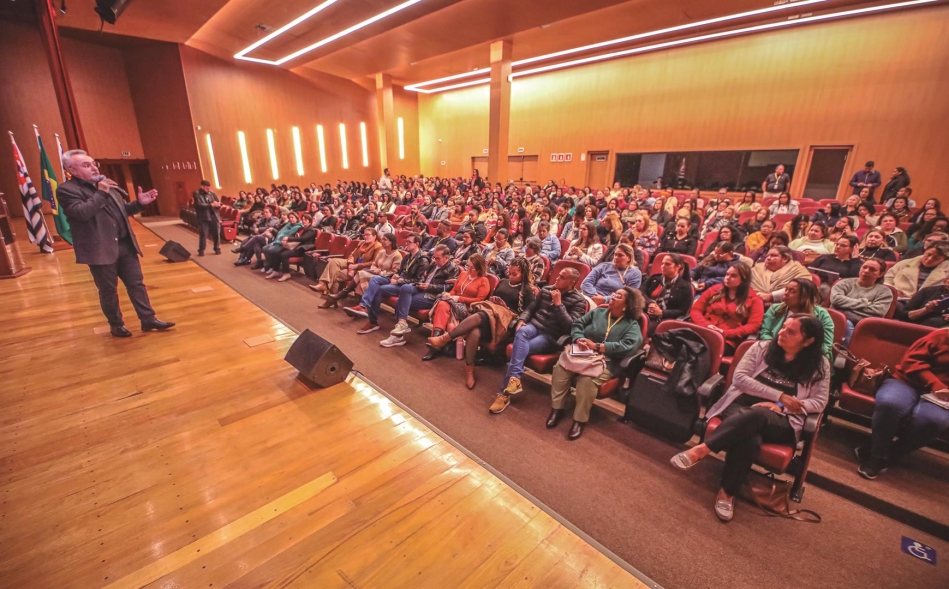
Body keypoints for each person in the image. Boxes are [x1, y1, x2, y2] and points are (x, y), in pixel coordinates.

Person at [671, 315, 829, 522]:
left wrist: (780, 406)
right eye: (783, 327)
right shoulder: (762, 348)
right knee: (749, 436)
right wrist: (778, 396)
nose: (781, 333)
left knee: (757, 415)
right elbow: (740, 379)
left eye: (791, 332)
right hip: (741, 404)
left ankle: (703, 449)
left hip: (782, 419)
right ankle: (727, 493)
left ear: (808, 341)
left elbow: (819, 402)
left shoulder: (820, 365)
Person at [57, 149, 174, 337]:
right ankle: (116, 324)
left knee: (137, 284)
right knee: (108, 290)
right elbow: (81, 213)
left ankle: (148, 319)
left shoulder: (104, 185)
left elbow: (120, 211)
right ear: (72, 170)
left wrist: (139, 204)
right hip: (100, 249)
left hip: (125, 245)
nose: (94, 167)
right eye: (87, 165)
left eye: (94, 163)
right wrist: (101, 192)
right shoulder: (67, 190)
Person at [547, 287, 645, 440]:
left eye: (618, 296)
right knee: (560, 368)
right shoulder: (598, 312)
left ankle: (579, 420)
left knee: (587, 380)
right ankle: (557, 409)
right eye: (614, 293)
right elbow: (578, 325)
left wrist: (599, 346)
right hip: (583, 353)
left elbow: (629, 346)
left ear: (626, 305)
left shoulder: (631, 325)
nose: (612, 296)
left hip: (608, 361)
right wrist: (579, 339)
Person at [428, 257, 536, 391]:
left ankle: (445, 338)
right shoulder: (503, 282)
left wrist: (506, 308)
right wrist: (495, 301)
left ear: (523, 274)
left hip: (503, 324)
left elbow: (527, 314)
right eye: (510, 272)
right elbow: (492, 301)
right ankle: (469, 371)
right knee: (475, 331)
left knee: (480, 316)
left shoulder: (527, 290)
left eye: (515, 274)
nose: (511, 276)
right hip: (491, 316)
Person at [856, 328, 949, 479]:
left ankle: (885, 454)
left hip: (944, 397)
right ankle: (877, 457)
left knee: (933, 420)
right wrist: (935, 384)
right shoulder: (941, 336)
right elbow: (911, 361)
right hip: (908, 382)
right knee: (890, 404)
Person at [495, 268, 587, 403]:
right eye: (558, 275)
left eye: (561, 277)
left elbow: (571, 327)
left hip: (550, 336)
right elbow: (531, 308)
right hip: (534, 326)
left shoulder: (579, 301)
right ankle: (514, 380)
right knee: (521, 331)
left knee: (518, 349)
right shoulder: (546, 290)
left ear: (571, 283)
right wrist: (522, 319)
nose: (557, 278)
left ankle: (503, 395)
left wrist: (559, 304)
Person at [421, 254, 490, 361]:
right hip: (453, 302)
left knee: (443, 304)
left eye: (472, 268)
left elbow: (479, 300)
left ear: (479, 268)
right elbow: (454, 290)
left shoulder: (483, 280)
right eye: (468, 266)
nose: (469, 269)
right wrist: (449, 294)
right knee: (443, 303)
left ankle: (435, 345)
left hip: (468, 308)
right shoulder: (463, 274)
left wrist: (459, 298)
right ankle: (436, 344)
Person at [691, 263, 764, 355]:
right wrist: (707, 325)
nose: (728, 278)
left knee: (699, 349)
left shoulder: (754, 299)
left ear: (744, 279)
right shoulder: (714, 290)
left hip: (727, 340)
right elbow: (696, 310)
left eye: (733, 276)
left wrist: (726, 332)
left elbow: (754, 325)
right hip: (703, 330)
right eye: (727, 274)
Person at [759, 278, 835, 359]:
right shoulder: (775, 308)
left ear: (805, 296)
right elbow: (765, 333)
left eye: (792, 291)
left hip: (808, 359)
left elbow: (826, 346)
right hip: (774, 352)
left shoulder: (823, 315)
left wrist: (794, 352)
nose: (785, 294)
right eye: (786, 289)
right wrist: (778, 349)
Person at [830, 258, 893, 343]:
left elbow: (878, 311)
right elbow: (836, 300)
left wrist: (845, 309)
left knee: (847, 324)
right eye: (864, 267)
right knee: (845, 323)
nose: (866, 271)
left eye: (872, 270)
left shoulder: (885, 292)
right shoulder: (844, 283)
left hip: (864, 325)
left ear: (880, 274)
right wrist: (863, 302)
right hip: (838, 320)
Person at [310, 227, 383, 294]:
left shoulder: (378, 246)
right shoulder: (362, 243)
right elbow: (352, 255)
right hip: (353, 263)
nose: (365, 237)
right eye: (364, 235)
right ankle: (322, 284)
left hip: (363, 268)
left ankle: (330, 293)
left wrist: (356, 266)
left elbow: (374, 263)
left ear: (374, 236)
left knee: (336, 273)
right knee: (334, 261)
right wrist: (350, 264)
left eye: (368, 235)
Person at [641, 253, 693, 337]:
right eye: (662, 263)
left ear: (678, 267)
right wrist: (649, 302)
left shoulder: (685, 287)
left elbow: (682, 310)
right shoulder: (654, 279)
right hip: (645, 312)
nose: (663, 266)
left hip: (664, 319)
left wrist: (661, 312)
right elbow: (641, 292)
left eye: (667, 264)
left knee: (646, 329)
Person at [884, 244, 949, 299]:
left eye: (936, 258)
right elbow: (887, 280)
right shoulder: (904, 263)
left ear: (944, 259)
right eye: (928, 254)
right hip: (899, 299)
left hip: (929, 303)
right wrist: (894, 291)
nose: (929, 259)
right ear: (924, 251)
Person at [264, 213, 315, 282]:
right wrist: (287, 238)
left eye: (305, 220)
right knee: (277, 252)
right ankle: (276, 271)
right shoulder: (301, 228)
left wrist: (289, 239)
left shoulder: (311, 230)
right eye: (302, 219)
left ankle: (286, 273)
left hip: (302, 249)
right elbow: (293, 235)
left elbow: (302, 239)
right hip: (295, 246)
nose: (303, 221)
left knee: (284, 254)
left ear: (310, 221)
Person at [192, 180, 221, 256]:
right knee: (203, 234)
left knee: (216, 233)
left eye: (209, 188)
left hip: (214, 215)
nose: (208, 190)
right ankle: (201, 250)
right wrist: (211, 205)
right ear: (202, 186)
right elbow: (199, 205)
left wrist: (218, 204)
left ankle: (217, 248)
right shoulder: (197, 194)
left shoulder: (212, 194)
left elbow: (218, 202)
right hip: (203, 217)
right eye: (207, 188)